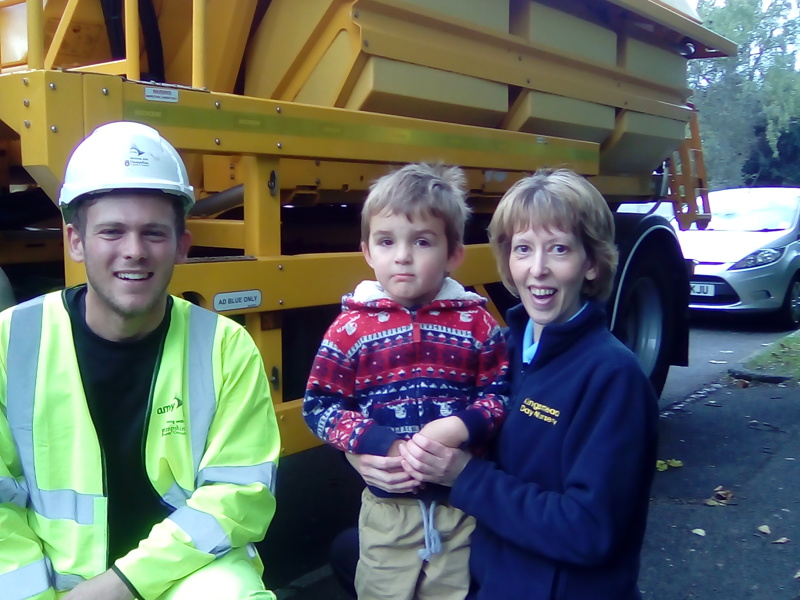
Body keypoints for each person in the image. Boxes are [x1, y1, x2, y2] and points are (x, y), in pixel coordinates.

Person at [340, 168, 658, 600]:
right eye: (523, 249)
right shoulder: (498, 350)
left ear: (591, 263)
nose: (538, 269)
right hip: (485, 563)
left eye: (559, 249)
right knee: (348, 550)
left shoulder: (613, 378)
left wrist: (464, 476)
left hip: (550, 586)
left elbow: (589, 532)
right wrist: (367, 457)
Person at [0, 122, 281, 600]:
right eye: (112, 231)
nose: (134, 250)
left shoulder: (224, 346)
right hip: (48, 582)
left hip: (185, 573)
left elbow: (239, 496)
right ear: (76, 241)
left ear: (181, 247)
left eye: (153, 233)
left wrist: (120, 586)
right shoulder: (10, 341)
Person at [303, 163, 509, 600]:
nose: (402, 255)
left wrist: (460, 427)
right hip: (386, 512)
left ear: (454, 253)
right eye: (386, 241)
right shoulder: (349, 329)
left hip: (460, 508)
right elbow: (320, 406)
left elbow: (500, 393)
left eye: (421, 241)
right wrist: (375, 443)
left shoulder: (476, 323)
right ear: (367, 252)